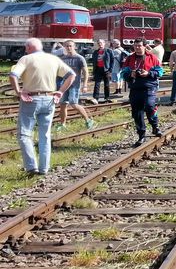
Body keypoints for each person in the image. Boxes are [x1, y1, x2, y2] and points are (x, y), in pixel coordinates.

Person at [9, 38, 76, 175]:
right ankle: (44, 168)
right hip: (49, 99)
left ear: (28, 48)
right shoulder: (53, 59)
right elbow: (71, 75)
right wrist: (60, 91)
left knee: (24, 134)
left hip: (31, 100)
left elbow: (13, 75)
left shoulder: (26, 59)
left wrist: (18, 92)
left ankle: (31, 167)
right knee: (45, 135)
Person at [120, 38, 164, 147]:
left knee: (149, 106)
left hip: (149, 87)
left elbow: (160, 72)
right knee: (137, 112)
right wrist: (131, 74)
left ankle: (155, 125)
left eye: (139, 46)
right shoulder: (130, 59)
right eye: (135, 46)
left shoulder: (152, 57)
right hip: (135, 88)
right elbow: (123, 73)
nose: (137, 48)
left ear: (145, 46)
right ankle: (141, 135)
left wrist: (148, 73)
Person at [55, 39, 95, 132]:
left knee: (74, 104)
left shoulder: (79, 58)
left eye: (70, 46)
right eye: (66, 46)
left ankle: (88, 120)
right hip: (64, 85)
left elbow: (85, 72)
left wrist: (85, 85)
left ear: (74, 47)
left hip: (75, 85)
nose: (68, 48)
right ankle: (62, 124)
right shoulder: (63, 59)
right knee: (63, 104)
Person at [91, 39, 113, 103]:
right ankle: (95, 98)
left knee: (106, 84)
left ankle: (106, 97)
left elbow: (112, 61)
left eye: (101, 43)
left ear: (104, 43)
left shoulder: (109, 51)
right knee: (97, 84)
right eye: (98, 43)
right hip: (98, 69)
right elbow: (94, 62)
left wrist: (110, 70)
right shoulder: (95, 52)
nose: (100, 44)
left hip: (106, 69)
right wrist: (94, 71)